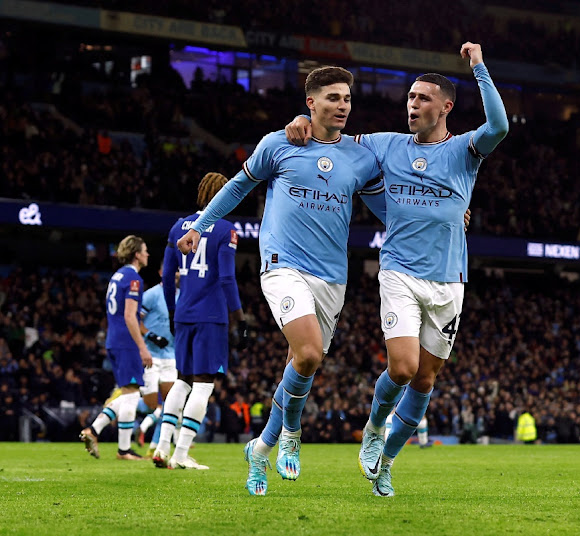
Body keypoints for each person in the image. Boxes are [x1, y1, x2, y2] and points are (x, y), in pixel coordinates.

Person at [287, 41, 508, 496]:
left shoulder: (466, 149)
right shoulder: (387, 145)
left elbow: (500, 126)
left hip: (449, 281)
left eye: (423, 98)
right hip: (400, 272)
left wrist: (480, 68)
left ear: (446, 107)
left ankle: (387, 462)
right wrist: (303, 119)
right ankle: (373, 429)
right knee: (404, 368)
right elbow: (337, 142)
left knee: (426, 378)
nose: (413, 104)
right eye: (410, 97)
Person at [177, 66, 387, 496]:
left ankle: (260, 448)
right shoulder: (280, 142)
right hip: (282, 264)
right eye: (332, 98)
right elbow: (238, 187)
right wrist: (200, 223)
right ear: (310, 103)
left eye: (347, 98)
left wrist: (438, 220)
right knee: (308, 354)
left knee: (301, 362)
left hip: (333, 276)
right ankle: (291, 431)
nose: (342, 105)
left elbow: (388, 209)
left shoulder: (361, 157)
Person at [151, 172, 249, 470]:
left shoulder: (177, 226)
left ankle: (161, 447)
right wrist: (239, 318)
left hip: (183, 313)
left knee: (182, 380)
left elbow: (168, 276)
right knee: (204, 385)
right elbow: (227, 277)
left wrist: (171, 311)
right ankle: (180, 454)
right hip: (211, 316)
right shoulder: (225, 230)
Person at [80, 235, 153, 460]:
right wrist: (142, 347)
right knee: (131, 394)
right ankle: (120, 447)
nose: (148, 254)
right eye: (145, 250)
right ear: (136, 254)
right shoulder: (133, 278)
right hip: (126, 342)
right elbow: (130, 316)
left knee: (128, 392)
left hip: (114, 339)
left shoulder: (116, 276)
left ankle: (97, 431)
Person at [137, 267, 180, 456]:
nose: (178, 273)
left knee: (170, 404)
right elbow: (134, 320)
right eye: (175, 269)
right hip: (151, 355)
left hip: (171, 356)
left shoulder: (182, 295)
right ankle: (128, 411)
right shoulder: (151, 294)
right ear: (163, 271)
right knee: (150, 404)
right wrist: (151, 336)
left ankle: (155, 446)